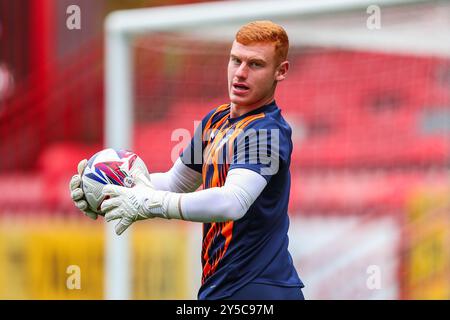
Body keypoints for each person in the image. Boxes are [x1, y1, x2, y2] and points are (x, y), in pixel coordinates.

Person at [70, 21, 305, 300]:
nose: (240, 73)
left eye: (255, 65)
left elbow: (233, 202)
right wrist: (110, 188)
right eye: (235, 60)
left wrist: (150, 203)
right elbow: (177, 182)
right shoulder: (215, 120)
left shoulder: (268, 132)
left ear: (281, 71)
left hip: (260, 289)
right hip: (223, 288)